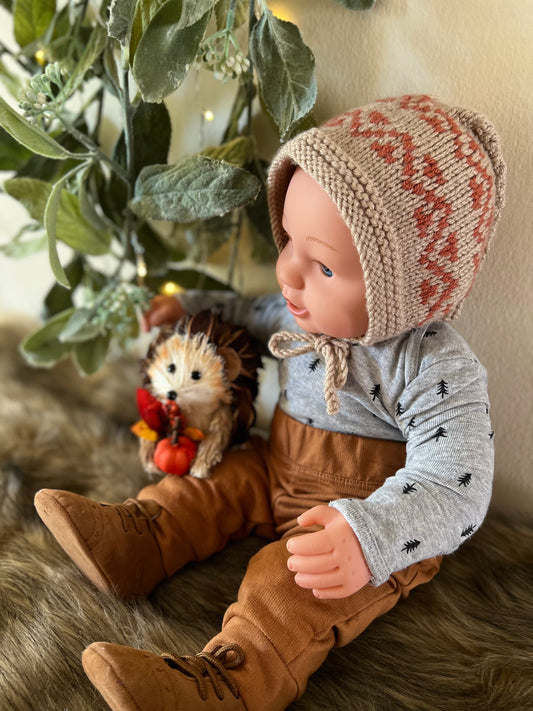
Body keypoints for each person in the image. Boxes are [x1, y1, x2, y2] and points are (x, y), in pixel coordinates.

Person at [34, 95, 505, 711]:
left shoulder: (431, 364)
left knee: (285, 584)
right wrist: (190, 304)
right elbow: (249, 312)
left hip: (355, 516)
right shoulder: (295, 310)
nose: (287, 274)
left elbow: (459, 483)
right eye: (288, 240)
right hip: (276, 464)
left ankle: (229, 682)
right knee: (212, 483)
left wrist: (370, 539)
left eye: (323, 266)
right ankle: (141, 540)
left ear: (406, 285)